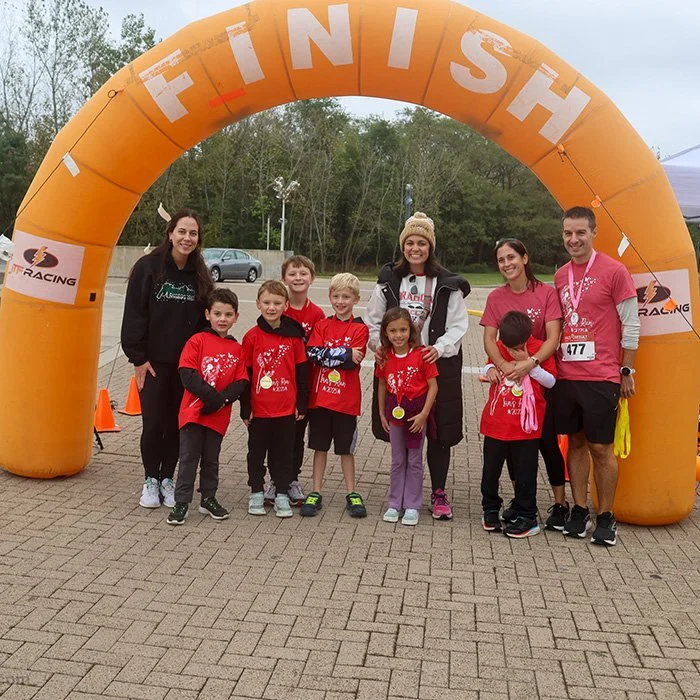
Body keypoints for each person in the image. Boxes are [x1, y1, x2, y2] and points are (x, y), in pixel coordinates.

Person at [365, 212, 470, 520]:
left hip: (436, 365)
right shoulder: (388, 280)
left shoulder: (447, 283)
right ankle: (400, 494)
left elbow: (459, 325)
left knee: (439, 430)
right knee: (402, 430)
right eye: (410, 242)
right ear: (402, 246)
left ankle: (438, 492)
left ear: (430, 247)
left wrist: (437, 349)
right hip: (398, 367)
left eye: (421, 243)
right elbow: (373, 321)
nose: (415, 248)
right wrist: (379, 347)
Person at [554, 206, 639, 546]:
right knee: (573, 443)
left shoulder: (615, 271)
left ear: (593, 233)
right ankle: (578, 509)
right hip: (566, 375)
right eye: (567, 233)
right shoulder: (560, 275)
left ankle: (606, 515)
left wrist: (626, 370)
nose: (573, 239)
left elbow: (631, 324)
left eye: (580, 233)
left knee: (601, 448)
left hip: (602, 375)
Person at [120, 208, 213, 509]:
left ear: (198, 239)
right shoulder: (148, 267)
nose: (187, 238)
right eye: (182, 231)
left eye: (193, 233)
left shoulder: (200, 274)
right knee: (154, 423)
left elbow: (206, 320)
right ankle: (150, 480)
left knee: (177, 424)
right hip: (153, 364)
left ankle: (167, 479)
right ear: (170, 233)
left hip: (185, 367)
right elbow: (134, 314)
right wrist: (138, 358)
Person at [480, 238, 567, 530]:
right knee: (515, 448)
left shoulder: (546, 293)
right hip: (511, 385)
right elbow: (490, 339)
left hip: (540, 379)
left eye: (511, 257)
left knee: (547, 445)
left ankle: (560, 503)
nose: (507, 264)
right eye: (501, 260)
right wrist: (502, 365)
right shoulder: (496, 298)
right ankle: (520, 504)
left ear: (525, 258)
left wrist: (531, 363)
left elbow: (554, 338)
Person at [167, 289, 249, 525]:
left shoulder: (237, 348)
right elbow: (187, 373)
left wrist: (222, 401)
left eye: (228, 314)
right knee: (189, 458)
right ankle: (182, 501)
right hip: (194, 412)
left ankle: (208, 498)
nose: (222, 319)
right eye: (217, 313)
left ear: (236, 317)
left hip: (218, 416)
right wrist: (212, 398)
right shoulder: (198, 340)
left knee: (211, 459)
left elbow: (241, 381)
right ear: (207, 314)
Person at [480, 311, 557, 538]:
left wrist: (530, 364)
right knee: (490, 471)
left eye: (518, 346)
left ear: (527, 339)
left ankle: (527, 516)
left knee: (525, 473)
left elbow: (551, 381)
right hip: (496, 423)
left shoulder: (539, 348)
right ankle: (490, 509)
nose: (512, 350)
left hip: (526, 427)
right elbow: (485, 367)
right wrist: (491, 370)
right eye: (508, 346)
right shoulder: (500, 346)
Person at [300, 273, 369, 518]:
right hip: (320, 400)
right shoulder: (322, 325)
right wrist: (344, 353)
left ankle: (352, 491)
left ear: (356, 299)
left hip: (346, 402)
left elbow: (353, 363)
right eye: (336, 296)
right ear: (330, 296)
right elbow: (312, 354)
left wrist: (331, 354)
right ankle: (316, 490)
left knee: (345, 449)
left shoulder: (360, 328)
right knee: (319, 447)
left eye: (346, 297)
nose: (341, 301)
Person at [240, 280, 308, 518]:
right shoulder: (251, 337)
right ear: (258, 304)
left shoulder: (294, 337)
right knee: (256, 453)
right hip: (259, 410)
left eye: (277, 303)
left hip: (286, 409)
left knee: (283, 453)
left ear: (286, 305)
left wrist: (301, 403)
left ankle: (281, 492)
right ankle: (257, 492)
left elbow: (301, 372)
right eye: (267, 302)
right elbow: (245, 374)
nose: (271, 307)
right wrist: (245, 406)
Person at [263, 255, 325, 506]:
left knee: (297, 436)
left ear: (312, 278)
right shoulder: (278, 308)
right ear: (284, 278)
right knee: (276, 437)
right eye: (292, 273)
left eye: (303, 273)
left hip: (304, 388)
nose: (298, 278)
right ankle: (273, 481)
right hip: (278, 389)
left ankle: (291, 480)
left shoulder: (317, 313)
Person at [376, 308, 438, 526]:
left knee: (414, 460)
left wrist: (423, 415)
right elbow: (382, 384)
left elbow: (433, 386)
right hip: (395, 413)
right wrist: (382, 412)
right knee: (397, 459)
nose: (398, 335)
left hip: (416, 415)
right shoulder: (384, 355)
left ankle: (412, 504)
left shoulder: (421, 354)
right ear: (385, 332)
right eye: (393, 330)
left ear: (410, 330)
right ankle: (394, 503)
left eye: (403, 329)